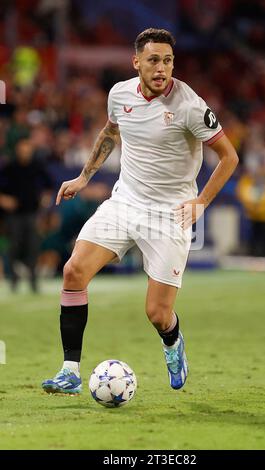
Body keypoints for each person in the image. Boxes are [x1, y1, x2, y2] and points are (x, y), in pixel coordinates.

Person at [42, 28, 238, 395]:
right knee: (73, 271)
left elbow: (229, 156)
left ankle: (172, 343)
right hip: (125, 202)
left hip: (170, 214)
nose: (162, 68)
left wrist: (201, 203)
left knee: (158, 314)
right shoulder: (119, 95)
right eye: (153, 60)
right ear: (137, 63)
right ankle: (69, 371)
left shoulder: (190, 106)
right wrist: (84, 177)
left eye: (167, 60)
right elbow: (109, 133)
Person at [0, 138, 53, 291]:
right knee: (14, 247)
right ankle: (13, 279)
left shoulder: (37, 166)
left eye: (27, 149)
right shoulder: (9, 167)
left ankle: (33, 281)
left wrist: (46, 198)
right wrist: (4, 200)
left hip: (32, 213)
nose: (25, 152)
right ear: (17, 150)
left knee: (33, 248)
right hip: (14, 215)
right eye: (22, 149)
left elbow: (49, 185)